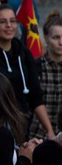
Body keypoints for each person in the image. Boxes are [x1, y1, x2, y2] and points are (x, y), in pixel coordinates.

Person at [0, 4, 55, 138]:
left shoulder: (23, 52)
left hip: (21, 124)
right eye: (3, 22)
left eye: (13, 21)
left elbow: (35, 95)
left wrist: (49, 131)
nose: (9, 25)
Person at [30, 11, 62, 139]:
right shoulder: (36, 66)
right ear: (46, 38)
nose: (61, 42)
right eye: (56, 37)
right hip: (37, 134)